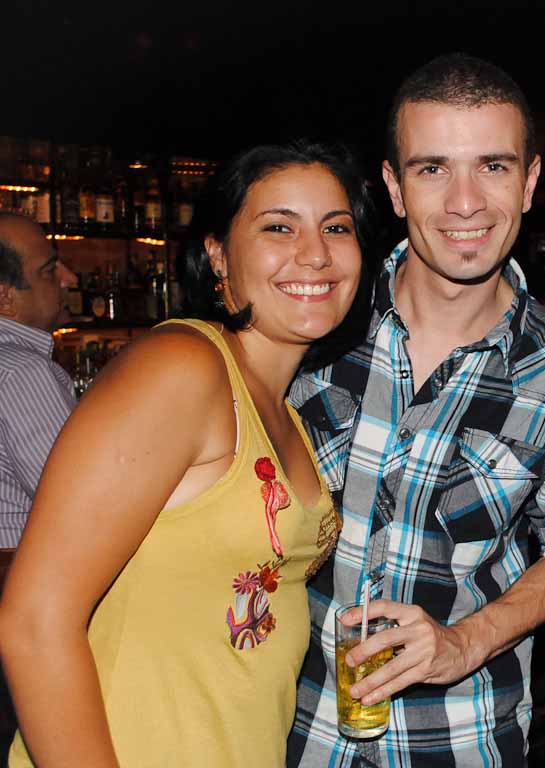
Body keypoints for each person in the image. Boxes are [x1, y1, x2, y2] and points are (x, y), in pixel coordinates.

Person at [0, 141, 373, 767]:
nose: (316, 253)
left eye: (336, 227)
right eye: (279, 227)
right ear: (217, 254)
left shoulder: (285, 409)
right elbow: (34, 620)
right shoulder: (182, 367)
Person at [288, 54, 545, 767]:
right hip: (290, 728)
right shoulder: (316, 325)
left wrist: (467, 641)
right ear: (394, 188)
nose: (466, 203)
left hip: (458, 737)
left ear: (530, 182)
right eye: (433, 169)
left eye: (493, 166)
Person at [0, 213, 79, 754]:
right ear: (6, 298)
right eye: (50, 270)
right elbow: (81, 508)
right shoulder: (23, 371)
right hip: (20, 589)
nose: (69, 278)